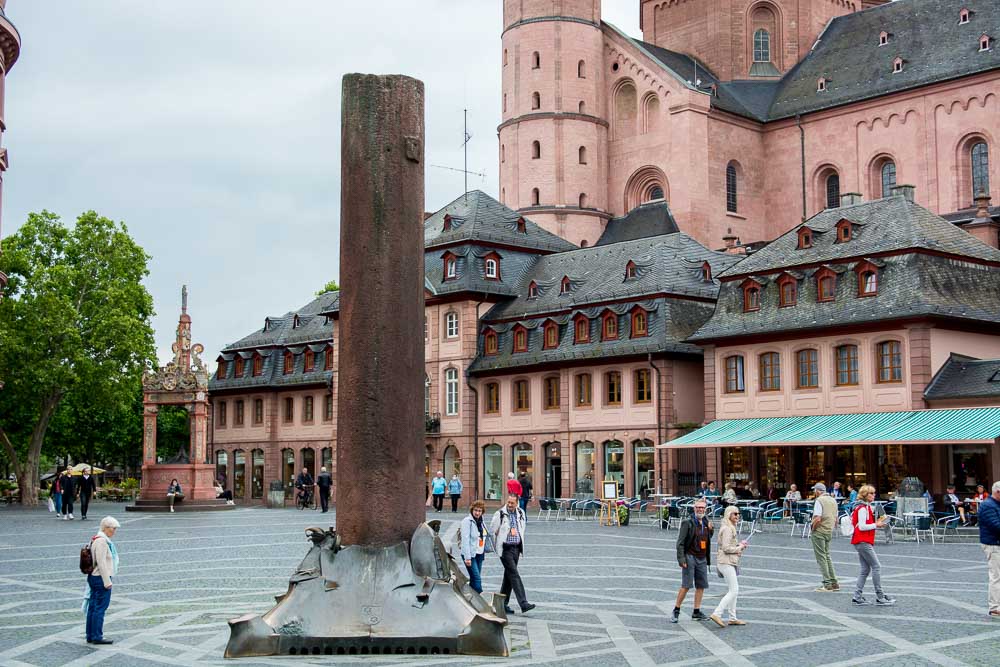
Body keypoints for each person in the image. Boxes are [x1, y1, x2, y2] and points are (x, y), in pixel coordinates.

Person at [490, 494, 536, 615]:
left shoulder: (520, 513)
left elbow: (522, 528)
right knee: (514, 574)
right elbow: (493, 529)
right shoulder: (500, 514)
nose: (510, 505)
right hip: (505, 549)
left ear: (517, 503)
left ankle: (502, 604)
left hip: (516, 548)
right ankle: (523, 603)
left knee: (508, 577)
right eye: (508, 502)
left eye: (512, 503)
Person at [851, 484, 894, 606]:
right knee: (876, 567)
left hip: (861, 540)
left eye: (874, 493)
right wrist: (877, 525)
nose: (874, 495)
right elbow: (862, 526)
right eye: (871, 493)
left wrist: (877, 523)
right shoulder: (863, 508)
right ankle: (880, 596)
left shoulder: (865, 507)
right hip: (863, 540)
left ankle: (857, 596)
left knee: (865, 569)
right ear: (865, 495)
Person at [671, 498, 713, 623]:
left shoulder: (706, 522)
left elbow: (707, 537)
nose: (700, 509)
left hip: (702, 557)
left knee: (701, 585)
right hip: (690, 557)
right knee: (686, 585)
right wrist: (681, 559)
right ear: (694, 509)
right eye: (698, 507)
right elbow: (680, 543)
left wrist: (711, 530)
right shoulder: (687, 522)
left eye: (702, 508)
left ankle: (696, 611)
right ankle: (676, 610)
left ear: (705, 510)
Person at [710, 506, 748, 627]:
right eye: (735, 514)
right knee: (734, 590)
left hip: (728, 562)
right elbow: (726, 548)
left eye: (738, 514)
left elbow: (728, 546)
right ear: (729, 515)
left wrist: (738, 546)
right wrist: (739, 548)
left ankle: (732, 617)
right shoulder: (727, 529)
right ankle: (717, 613)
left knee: (733, 590)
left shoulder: (730, 527)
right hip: (725, 562)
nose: (737, 516)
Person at [85, 516, 120, 645]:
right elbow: (101, 562)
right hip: (100, 578)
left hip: (94, 577)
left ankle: (90, 634)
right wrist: (107, 581)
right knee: (99, 608)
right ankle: (97, 636)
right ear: (106, 528)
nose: (114, 531)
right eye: (113, 528)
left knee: (93, 607)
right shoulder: (102, 542)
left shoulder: (96, 539)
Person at [810, 483, 840, 592]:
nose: (814, 492)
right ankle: (834, 582)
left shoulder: (819, 500)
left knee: (821, 558)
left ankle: (827, 583)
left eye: (815, 490)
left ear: (818, 491)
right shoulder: (833, 500)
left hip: (819, 531)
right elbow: (836, 519)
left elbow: (817, 518)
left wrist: (813, 529)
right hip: (829, 531)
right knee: (827, 556)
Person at [978, 480, 1000, 618]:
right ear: (998, 492)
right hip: (993, 545)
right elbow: (996, 526)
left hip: (997, 543)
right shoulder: (988, 506)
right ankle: (995, 607)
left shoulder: (995, 504)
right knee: (996, 576)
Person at [460, 500, 489, 593]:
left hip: (479, 553)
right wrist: (467, 558)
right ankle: (480, 601)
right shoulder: (467, 521)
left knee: (474, 578)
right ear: (472, 510)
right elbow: (465, 540)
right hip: (470, 555)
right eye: (475, 510)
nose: (477, 513)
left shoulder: (481, 521)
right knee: (477, 579)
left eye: (480, 511)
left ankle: (470, 599)